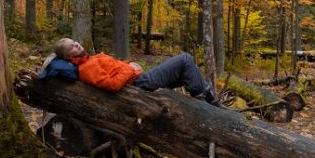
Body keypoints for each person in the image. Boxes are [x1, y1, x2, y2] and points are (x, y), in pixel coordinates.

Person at [40, 38, 221, 106]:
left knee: (186, 69)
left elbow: (115, 69)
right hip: (139, 84)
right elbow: (112, 85)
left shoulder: (90, 59)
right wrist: (130, 69)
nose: (76, 44)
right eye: (71, 46)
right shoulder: (86, 68)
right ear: (67, 56)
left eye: (75, 42)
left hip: (138, 78)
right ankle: (204, 100)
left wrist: (129, 63)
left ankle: (207, 98)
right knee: (185, 59)